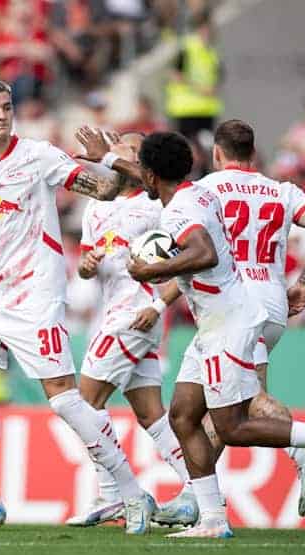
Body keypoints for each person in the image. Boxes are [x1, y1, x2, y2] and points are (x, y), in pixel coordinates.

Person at [85, 129, 305, 538]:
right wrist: (111, 159)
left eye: (143, 173)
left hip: (228, 323)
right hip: (224, 318)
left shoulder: (182, 209)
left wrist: (149, 270)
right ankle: (212, 519)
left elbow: (205, 253)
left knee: (233, 426)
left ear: (150, 177)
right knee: (183, 416)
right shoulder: (195, 193)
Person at [0, 79, 156, 533]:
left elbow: (105, 191)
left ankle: (132, 495)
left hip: (36, 296)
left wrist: (107, 162)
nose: (2, 115)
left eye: (7, 107)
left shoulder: (39, 156)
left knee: (65, 401)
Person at [192, 120, 305, 517]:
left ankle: (304, 449)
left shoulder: (206, 190)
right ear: (253, 155)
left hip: (236, 303)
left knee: (247, 402)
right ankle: (196, 495)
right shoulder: (281, 190)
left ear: (217, 154)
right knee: (221, 406)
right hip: (273, 301)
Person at [65, 131, 197, 529]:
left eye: (131, 149)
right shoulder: (96, 209)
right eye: (122, 145)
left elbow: (191, 262)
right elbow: (93, 266)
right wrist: (86, 267)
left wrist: (159, 306)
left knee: (83, 403)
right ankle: (200, 489)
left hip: (137, 316)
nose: (122, 151)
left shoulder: (157, 207)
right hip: (111, 315)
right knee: (152, 415)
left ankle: (115, 495)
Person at [165, 11, 222, 142]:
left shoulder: (211, 52)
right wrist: (199, 88)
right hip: (186, 109)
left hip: (207, 109)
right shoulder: (187, 48)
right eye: (207, 27)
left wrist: (213, 89)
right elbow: (175, 75)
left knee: (207, 147)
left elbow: (216, 78)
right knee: (187, 148)